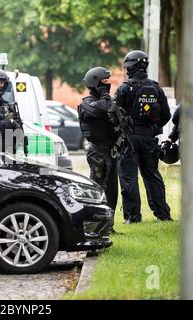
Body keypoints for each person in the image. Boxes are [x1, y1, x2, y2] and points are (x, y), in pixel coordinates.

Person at [115, 50, 173, 223]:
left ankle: (132, 217)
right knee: (152, 175)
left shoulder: (124, 88)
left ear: (130, 66)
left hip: (129, 140)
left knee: (128, 177)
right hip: (149, 139)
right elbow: (166, 115)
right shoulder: (156, 88)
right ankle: (163, 215)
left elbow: (114, 114)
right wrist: (153, 129)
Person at [78, 67, 119, 232]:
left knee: (112, 192)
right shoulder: (87, 102)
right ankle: (93, 227)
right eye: (104, 82)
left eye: (108, 82)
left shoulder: (107, 100)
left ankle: (108, 226)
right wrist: (105, 97)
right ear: (95, 83)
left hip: (111, 151)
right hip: (98, 152)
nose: (107, 85)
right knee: (98, 190)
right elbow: (97, 109)